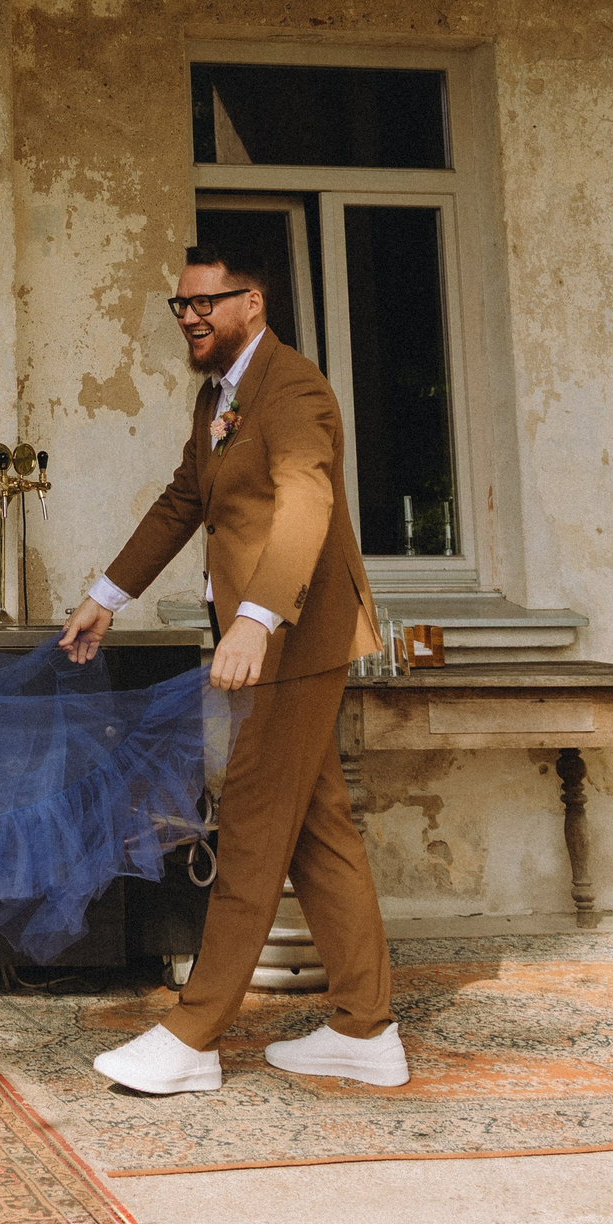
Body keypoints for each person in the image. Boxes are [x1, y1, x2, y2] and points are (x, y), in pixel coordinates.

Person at [58, 244, 406, 1094]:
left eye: (206, 302)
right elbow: (187, 498)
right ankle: (365, 1029)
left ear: (254, 302)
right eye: (180, 305)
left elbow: (307, 501)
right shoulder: (219, 395)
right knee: (318, 828)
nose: (190, 317)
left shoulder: (295, 389)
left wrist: (256, 618)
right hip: (272, 637)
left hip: (293, 638)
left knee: (250, 821)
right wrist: (108, 594)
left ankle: (194, 1034)